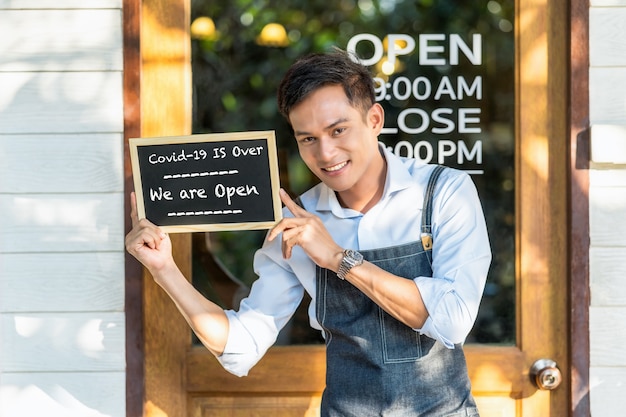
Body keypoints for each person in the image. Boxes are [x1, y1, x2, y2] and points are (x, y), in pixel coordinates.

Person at [125, 50, 491, 416]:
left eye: (338, 130)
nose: (326, 152)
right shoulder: (295, 223)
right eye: (308, 139)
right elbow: (241, 345)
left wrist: (337, 258)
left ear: (374, 119)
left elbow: (452, 319)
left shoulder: (444, 192)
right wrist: (164, 270)